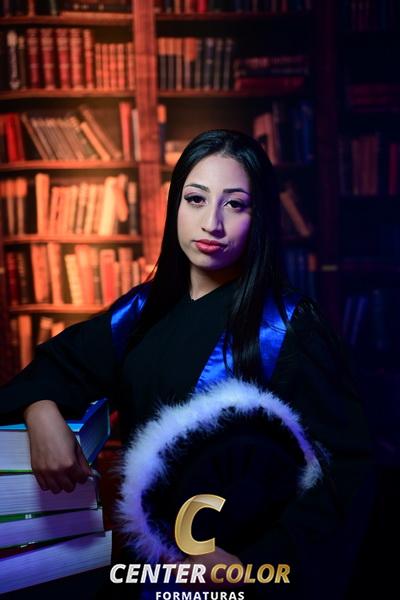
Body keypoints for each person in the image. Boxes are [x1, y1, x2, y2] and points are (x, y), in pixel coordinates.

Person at [0, 129, 375, 599]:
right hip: (147, 567)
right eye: (196, 199)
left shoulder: (288, 326)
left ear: (259, 217)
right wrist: (40, 408)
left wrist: (256, 562)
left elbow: (347, 469)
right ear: (175, 205)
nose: (211, 223)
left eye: (235, 204)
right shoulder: (140, 313)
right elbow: (55, 368)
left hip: (237, 573)